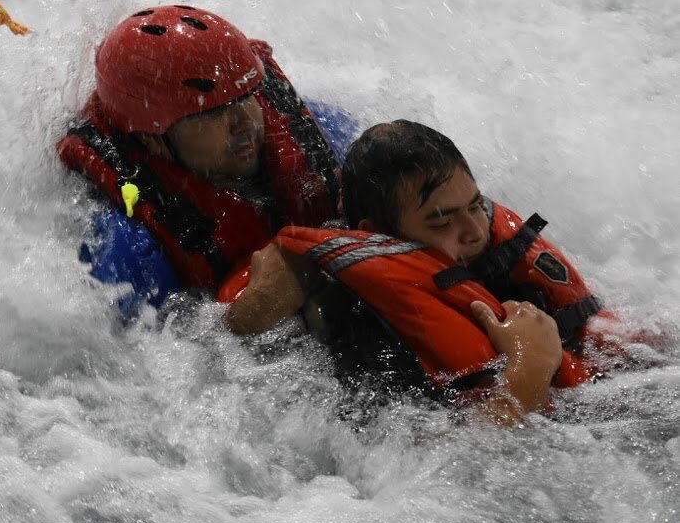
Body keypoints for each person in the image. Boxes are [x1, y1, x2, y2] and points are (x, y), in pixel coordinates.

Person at [223, 120, 628, 424]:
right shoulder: (374, 336)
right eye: (441, 221)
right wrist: (531, 366)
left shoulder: (490, 249)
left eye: (474, 205)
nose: (474, 231)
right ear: (375, 236)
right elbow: (456, 470)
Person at [57, 5, 355, 324]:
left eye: (246, 96)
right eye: (213, 113)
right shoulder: (129, 254)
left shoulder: (321, 136)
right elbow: (167, 363)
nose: (245, 122)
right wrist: (252, 312)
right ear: (152, 140)